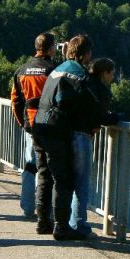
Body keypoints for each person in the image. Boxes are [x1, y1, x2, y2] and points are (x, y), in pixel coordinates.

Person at [32, 35, 93, 240]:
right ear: (85, 54)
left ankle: (42, 222)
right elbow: (81, 105)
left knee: (44, 175)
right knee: (63, 179)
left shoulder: (57, 69)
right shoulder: (79, 73)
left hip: (39, 125)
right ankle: (61, 226)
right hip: (55, 130)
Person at [69, 58, 120, 237]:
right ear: (104, 73)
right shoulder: (100, 89)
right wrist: (116, 118)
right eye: (111, 73)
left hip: (67, 133)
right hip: (82, 136)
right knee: (81, 183)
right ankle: (78, 225)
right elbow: (101, 116)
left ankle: (67, 221)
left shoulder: (81, 81)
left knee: (67, 180)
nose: (113, 77)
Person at [10, 32, 56, 219]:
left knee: (30, 165)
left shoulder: (22, 70)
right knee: (49, 167)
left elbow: (15, 100)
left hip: (30, 124)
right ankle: (47, 210)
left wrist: (23, 123)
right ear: (51, 48)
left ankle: (27, 207)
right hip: (50, 124)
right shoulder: (54, 69)